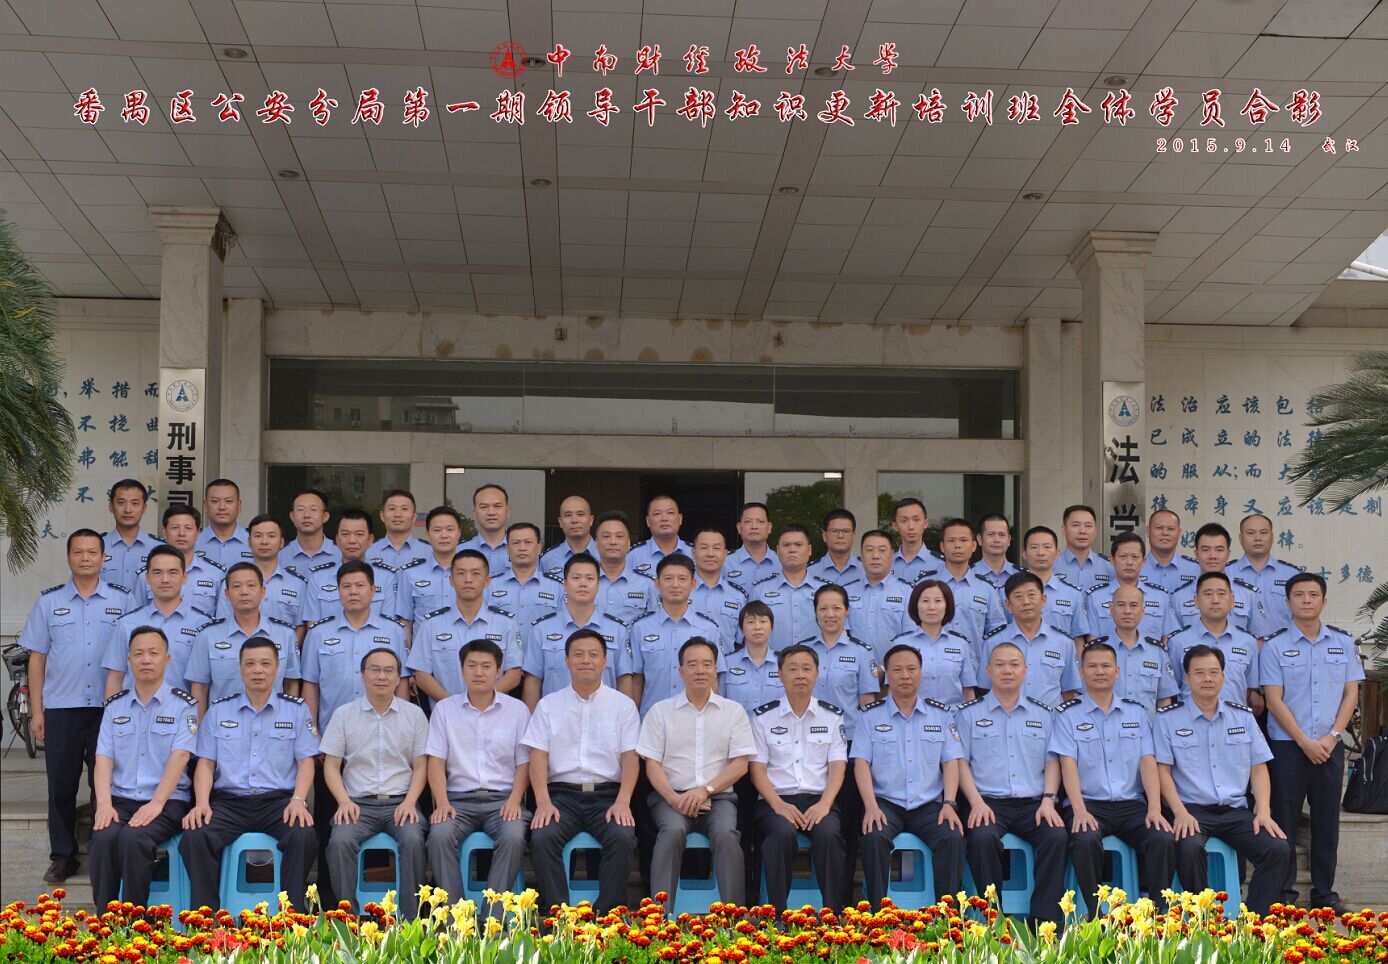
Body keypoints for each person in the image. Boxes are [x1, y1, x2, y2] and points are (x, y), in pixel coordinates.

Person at [21, 528, 136, 882]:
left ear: (103, 557)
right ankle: (63, 855)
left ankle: (105, 850)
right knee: (61, 785)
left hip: (109, 709)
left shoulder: (124, 600)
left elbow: (137, 654)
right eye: (78, 552)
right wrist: (37, 711)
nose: (85, 558)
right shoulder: (49, 602)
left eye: (92, 552)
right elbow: (37, 659)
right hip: (61, 708)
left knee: (109, 784)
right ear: (69, 557)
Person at [180, 637, 320, 913]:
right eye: (250, 664)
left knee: (303, 835)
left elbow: (306, 762)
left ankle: (292, 916)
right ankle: (206, 918)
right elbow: (206, 763)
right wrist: (202, 803)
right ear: (240, 668)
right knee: (195, 835)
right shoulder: (219, 710)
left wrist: (298, 800)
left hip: (278, 802)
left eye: (265, 663)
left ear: (277, 668)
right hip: (229, 802)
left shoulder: (296, 710)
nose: (258, 670)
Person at [301, 560, 412, 905]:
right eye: (346, 586)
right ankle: (335, 902)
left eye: (360, 586)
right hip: (333, 744)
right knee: (331, 824)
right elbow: (310, 685)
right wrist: (313, 733)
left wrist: (403, 726)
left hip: (383, 736)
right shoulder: (319, 633)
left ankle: (382, 903)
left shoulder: (393, 631)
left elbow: (402, 683)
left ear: (373, 590)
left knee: (386, 826)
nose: (353, 592)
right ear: (337, 592)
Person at [1154, 645, 1289, 916]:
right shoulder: (1168, 719)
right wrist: (1179, 812)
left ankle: (1252, 921)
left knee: (1277, 849)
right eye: (1199, 672)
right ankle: (1203, 921)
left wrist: (1263, 811)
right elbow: (1162, 772)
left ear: (1223, 677)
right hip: (1191, 810)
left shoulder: (1242, 717)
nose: (1208, 678)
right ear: (1186, 678)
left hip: (1235, 811)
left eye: (1214, 672)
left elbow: (1258, 768)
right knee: (1189, 847)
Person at [1260, 573, 1363, 912]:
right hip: (1288, 746)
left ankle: (1324, 894)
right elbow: (1273, 700)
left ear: (1324, 601)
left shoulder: (1342, 643)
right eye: (1299, 595)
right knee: (1284, 820)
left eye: (1313, 594)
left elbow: (1351, 694)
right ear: (1288, 601)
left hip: (1330, 746)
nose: (1306, 600)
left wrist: (1333, 737)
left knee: (1326, 822)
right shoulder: (1275, 646)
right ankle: (1284, 895)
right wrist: (1304, 741)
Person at [1050, 642, 1175, 913]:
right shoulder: (1067, 715)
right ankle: (1097, 916)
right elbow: (1067, 764)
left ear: (1117, 671)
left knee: (1162, 838)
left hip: (1131, 804)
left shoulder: (1136, 712)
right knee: (1084, 839)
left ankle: (1157, 915)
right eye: (1092, 666)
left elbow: (1147, 761)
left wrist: (1154, 808)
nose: (1100, 671)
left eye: (1106, 666)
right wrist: (1079, 810)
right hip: (1088, 803)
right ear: (1081, 672)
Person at [524, 629, 642, 914]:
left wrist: (623, 800)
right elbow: (537, 756)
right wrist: (542, 801)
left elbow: (630, 757)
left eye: (593, 655)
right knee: (542, 836)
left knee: (623, 836)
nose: (585, 660)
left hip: (608, 796)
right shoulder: (548, 705)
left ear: (605, 661)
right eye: (578, 654)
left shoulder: (623, 706)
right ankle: (559, 916)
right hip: (561, 796)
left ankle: (606, 916)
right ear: (567, 661)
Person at [638, 637, 756, 907]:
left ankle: (733, 917)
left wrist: (705, 790)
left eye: (707, 664)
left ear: (716, 670)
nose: (700, 670)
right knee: (671, 832)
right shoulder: (660, 712)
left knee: (726, 835)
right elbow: (652, 764)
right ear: (681, 671)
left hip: (718, 798)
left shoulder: (733, 712)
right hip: (671, 797)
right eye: (692, 665)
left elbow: (740, 764)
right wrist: (674, 798)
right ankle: (660, 916)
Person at [956, 641, 1067, 927]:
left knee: (1056, 837)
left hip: (1034, 803)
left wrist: (1049, 800)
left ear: (1025, 670)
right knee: (981, 838)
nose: (1008, 670)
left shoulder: (1044, 714)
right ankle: (993, 919)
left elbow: (1052, 761)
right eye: (1000, 665)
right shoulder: (968, 714)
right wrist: (976, 803)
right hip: (987, 802)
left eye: (1014, 665)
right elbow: (960, 763)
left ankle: (1043, 921)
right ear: (988, 670)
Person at [88, 627, 198, 908]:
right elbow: (103, 758)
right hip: (122, 799)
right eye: (138, 654)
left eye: (153, 653)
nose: (145, 659)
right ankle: (106, 920)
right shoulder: (115, 706)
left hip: (168, 802)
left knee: (134, 838)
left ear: (167, 659)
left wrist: (156, 803)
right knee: (102, 838)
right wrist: (104, 804)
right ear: (129, 659)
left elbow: (180, 757)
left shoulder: (183, 706)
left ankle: (134, 922)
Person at [425, 639, 532, 918]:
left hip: (502, 800)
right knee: (439, 835)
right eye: (472, 665)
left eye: (486, 666)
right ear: (462, 670)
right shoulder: (445, 710)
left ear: (498, 671)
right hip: (457, 801)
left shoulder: (517, 710)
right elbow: (435, 761)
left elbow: (524, 762)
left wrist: (515, 800)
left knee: (514, 835)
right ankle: (457, 919)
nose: (479, 672)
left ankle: (492, 919)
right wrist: (441, 802)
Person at [321, 647, 428, 919]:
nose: (382, 676)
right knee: (340, 842)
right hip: (357, 805)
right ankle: (348, 920)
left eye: (389, 671)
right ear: (362, 675)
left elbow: (421, 766)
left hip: (400, 802)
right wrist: (343, 801)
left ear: (398, 677)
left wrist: (410, 802)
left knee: (414, 839)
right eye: (375, 670)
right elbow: (331, 766)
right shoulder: (344, 714)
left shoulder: (414, 715)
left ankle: (410, 920)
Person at [854, 644, 965, 908]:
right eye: (897, 670)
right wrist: (870, 806)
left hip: (928, 805)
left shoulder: (940, 715)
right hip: (886, 804)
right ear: (887, 676)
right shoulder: (869, 716)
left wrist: (949, 803)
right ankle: (878, 916)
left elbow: (951, 762)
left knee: (952, 837)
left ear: (920, 673)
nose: (905, 675)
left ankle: (947, 916)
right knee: (873, 837)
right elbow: (861, 763)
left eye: (911, 669)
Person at [749, 645, 848, 913]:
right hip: (775, 800)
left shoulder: (832, 716)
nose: (800, 675)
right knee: (780, 834)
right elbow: (757, 769)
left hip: (819, 799)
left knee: (829, 835)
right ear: (780, 674)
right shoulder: (763, 717)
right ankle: (777, 914)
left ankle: (832, 914)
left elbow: (837, 766)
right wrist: (778, 805)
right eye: (792, 669)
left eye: (807, 669)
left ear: (817, 673)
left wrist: (825, 805)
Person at [408, 549, 523, 700]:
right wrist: (453, 706)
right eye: (461, 573)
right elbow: (421, 674)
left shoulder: (506, 624)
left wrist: (483, 700)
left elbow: (514, 674)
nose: (468, 579)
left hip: (494, 711)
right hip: (447, 711)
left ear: (487, 581)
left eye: (476, 573)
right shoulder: (430, 625)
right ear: (451, 580)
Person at [186, 562, 301, 711]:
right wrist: (201, 724)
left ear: (263, 591)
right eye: (236, 586)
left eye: (251, 585)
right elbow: (200, 687)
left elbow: (291, 684)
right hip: (223, 722)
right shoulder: (208, 636)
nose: (244, 592)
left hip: (272, 720)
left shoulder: (285, 634)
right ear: (227, 594)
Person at [103, 544, 213, 696]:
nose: (165, 579)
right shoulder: (127, 624)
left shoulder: (204, 625)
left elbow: (203, 686)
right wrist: (113, 711)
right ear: (147, 578)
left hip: (182, 709)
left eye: (172, 572)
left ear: (184, 577)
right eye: (157, 573)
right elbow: (115, 678)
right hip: (134, 709)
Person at [522, 553, 632, 706]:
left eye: (590, 578)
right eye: (576, 578)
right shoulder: (542, 629)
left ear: (598, 585)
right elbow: (533, 681)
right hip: (556, 716)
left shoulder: (617, 629)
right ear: (565, 584)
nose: (583, 584)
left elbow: (624, 680)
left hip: (604, 716)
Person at [628, 554, 725, 717]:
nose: (675, 585)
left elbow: (714, 678)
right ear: (657, 583)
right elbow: (637, 679)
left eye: (682, 579)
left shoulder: (708, 628)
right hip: (653, 718)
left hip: (696, 717)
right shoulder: (640, 628)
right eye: (668, 578)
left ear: (693, 584)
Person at [983, 572, 1081, 708]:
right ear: (1008, 605)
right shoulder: (993, 642)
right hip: (1006, 717)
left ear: (1043, 600)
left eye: (1031, 595)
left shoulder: (1064, 643)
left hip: (1051, 719)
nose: (1026, 602)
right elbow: (985, 688)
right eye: (1018, 597)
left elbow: (1068, 691)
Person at [1166, 572, 1262, 710]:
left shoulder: (1248, 642)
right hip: (1189, 720)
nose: (1215, 600)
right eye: (1208, 594)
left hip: (1233, 720)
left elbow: (1248, 689)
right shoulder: (1177, 642)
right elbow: (1172, 689)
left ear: (1232, 600)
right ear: (1196, 601)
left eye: (1221, 594)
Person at [1169, 523, 1271, 640]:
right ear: (1196, 553)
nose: (1213, 556)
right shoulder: (1178, 596)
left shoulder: (1249, 595)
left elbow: (1260, 639)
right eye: (1206, 550)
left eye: (1219, 550)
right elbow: (1173, 641)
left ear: (1228, 553)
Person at [301, 509, 405, 624]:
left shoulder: (387, 577)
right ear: (337, 539)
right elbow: (312, 626)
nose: (352, 541)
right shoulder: (317, 578)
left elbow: (389, 626)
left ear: (370, 540)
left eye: (359, 534)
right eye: (345, 534)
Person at [1094, 584, 1179, 717]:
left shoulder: (1157, 652)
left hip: (1147, 728)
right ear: (1111, 610)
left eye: (1133, 605)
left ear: (1143, 611)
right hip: (1107, 726)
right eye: (1121, 605)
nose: (1127, 611)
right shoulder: (1096, 652)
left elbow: (1164, 700)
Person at [1083, 533, 1180, 647]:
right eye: (1123, 556)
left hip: (1150, 658)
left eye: (1135, 557)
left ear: (1143, 562)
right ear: (1112, 560)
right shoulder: (1095, 597)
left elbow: (1169, 639)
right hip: (1109, 658)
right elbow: (1092, 642)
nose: (1129, 562)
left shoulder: (1160, 596)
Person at [891, 580, 977, 705]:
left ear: (947, 606)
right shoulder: (900, 644)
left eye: (938, 601)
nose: (931, 607)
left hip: (952, 715)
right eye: (925, 601)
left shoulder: (961, 644)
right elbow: (893, 691)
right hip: (914, 715)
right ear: (915, 605)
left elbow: (968, 692)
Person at [225, 514, 310, 638]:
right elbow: (224, 622)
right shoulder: (232, 581)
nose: (264, 541)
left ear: (281, 542)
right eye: (258, 536)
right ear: (249, 541)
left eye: (271, 536)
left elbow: (300, 627)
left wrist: (287, 648)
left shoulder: (298, 584)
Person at [136, 505, 225, 615]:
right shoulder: (146, 575)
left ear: (198, 533)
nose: (181, 533)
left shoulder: (216, 574)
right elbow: (138, 616)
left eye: (188, 528)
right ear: (164, 532)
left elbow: (222, 619)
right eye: (175, 528)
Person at [750, 525, 824, 653]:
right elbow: (749, 634)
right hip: (772, 663)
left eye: (798, 545)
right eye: (786, 545)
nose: (792, 550)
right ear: (778, 551)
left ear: (809, 550)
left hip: (817, 663)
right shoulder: (759, 591)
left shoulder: (826, 590)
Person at [936, 519, 1007, 650]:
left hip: (975, 661)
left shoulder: (986, 588)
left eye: (963, 540)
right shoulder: (927, 584)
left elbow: (997, 633)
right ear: (942, 546)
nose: (958, 545)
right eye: (951, 541)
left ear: (974, 546)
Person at [846, 530, 913, 662]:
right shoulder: (845, 592)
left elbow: (910, 638)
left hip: (893, 670)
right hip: (852, 670)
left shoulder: (907, 592)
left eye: (882, 550)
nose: (875, 556)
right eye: (869, 550)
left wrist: (884, 668)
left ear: (892, 555)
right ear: (861, 555)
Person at [1230, 513, 1303, 633]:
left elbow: (1302, 616)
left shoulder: (1292, 575)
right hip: (1238, 644)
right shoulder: (1225, 573)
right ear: (1240, 538)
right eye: (1251, 533)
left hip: (1282, 644)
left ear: (1272, 537)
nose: (1257, 538)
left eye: (1263, 533)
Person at [1017, 526, 1091, 640]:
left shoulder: (1072, 594)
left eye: (1047, 547)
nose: (1041, 553)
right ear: (1024, 554)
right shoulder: (1010, 591)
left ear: (1057, 553)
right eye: (1034, 547)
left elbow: (1078, 639)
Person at [488, 522, 562, 628]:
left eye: (528, 542)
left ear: (538, 548)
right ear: (507, 549)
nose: (522, 548)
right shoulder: (490, 586)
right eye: (516, 543)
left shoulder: (557, 587)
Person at [402, 506, 465, 624]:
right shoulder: (410, 574)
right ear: (427, 535)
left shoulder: (472, 572)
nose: (444, 535)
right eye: (437, 530)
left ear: (459, 533)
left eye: (450, 529)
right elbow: (406, 621)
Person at [592, 510, 659, 622]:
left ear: (628, 543)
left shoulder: (648, 584)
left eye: (619, 536)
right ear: (596, 543)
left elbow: (654, 625)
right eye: (606, 536)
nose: (613, 542)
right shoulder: (582, 583)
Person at [719, 602, 783, 716]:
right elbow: (720, 702)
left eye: (763, 621)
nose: (757, 627)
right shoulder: (727, 662)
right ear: (741, 629)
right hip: (736, 726)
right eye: (751, 622)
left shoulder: (783, 663)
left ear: (771, 627)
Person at [690, 526, 747, 651]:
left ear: (726, 554)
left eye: (716, 548)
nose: (710, 554)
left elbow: (741, 642)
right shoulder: (679, 591)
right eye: (704, 548)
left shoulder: (738, 596)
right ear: (693, 553)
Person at [101, 478, 161, 592]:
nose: (128, 510)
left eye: (135, 503)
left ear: (144, 508)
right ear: (111, 506)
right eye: (121, 503)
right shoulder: (96, 546)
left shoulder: (160, 547)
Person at [1055, 505, 1117, 594]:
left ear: (1095, 531)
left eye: (1088, 526)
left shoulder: (1110, 566)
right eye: (1076, 525)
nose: (1082, 531)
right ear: (1064, 530)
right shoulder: (1052, 565)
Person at [280, 488, 342, 576]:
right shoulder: (279, 554)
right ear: (292, 516)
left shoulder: (341, 552)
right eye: (300, 509)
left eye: (313, 509)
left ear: (325, 516)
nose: (306, 515)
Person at [628, 495, 693, 577]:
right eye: (657, 514)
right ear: (648, 521)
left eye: (670, 513)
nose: (664, 518)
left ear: (680, 519)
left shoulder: (695, 553)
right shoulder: (632, 555)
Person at [370, 488, 432, 571]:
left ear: (414, 516)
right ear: (382, 515)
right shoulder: (367, 551)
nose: (398, 514)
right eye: (392, 508)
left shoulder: (430, 551)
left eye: (404, 509)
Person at [1141, 509, 1201, 594]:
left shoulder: (1196, 569)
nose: (1165, 533)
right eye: (1159, 528)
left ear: (1179, 533)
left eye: (1171, 529)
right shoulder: (1135, 568)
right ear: (1148, 531)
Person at [196, 479, 250, 569]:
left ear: (239, 505)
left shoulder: (255, 540)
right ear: (205, 505)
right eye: (215, 501)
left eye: (228, 501)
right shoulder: (192, 540)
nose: (222, 507)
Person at [726, 502, 782, 587]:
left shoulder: (782, 562)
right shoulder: (725, 562)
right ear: (739, 527)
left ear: (769, 527)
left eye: (760, 521)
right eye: (748, 521)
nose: (754, 526)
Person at [460, 483, 511, 576]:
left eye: (497, 506)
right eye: (484, 507)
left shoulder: (523, 550)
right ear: (475, 513)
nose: (491, 512)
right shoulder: (459, 551)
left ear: (507, 511)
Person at [888, 498, 943, 585]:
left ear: (925, 523)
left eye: (916, 520)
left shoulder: (942, 564)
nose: (911, 527)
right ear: (895, 526)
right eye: (904, 521)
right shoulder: (886, 563)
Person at [539, 495, 596, 577]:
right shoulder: (546, 559)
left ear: (591, 520)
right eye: (568, 515)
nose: (574, 520)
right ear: (560, 522)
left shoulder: (606, 555)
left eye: (580, 514)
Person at [809, 509, 864, 588]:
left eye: (846, 531)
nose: (840, 536)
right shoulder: (809, 571)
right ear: (824, 536)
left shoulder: (867, 569)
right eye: (834, 531)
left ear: (853, 536)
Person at [970, 513, 1020, 596]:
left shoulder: (1022, 575)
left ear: (1009, 540)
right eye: (991, 534)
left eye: (1002, 535)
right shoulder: (968, 575)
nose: (997, 540)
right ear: (979, 539)